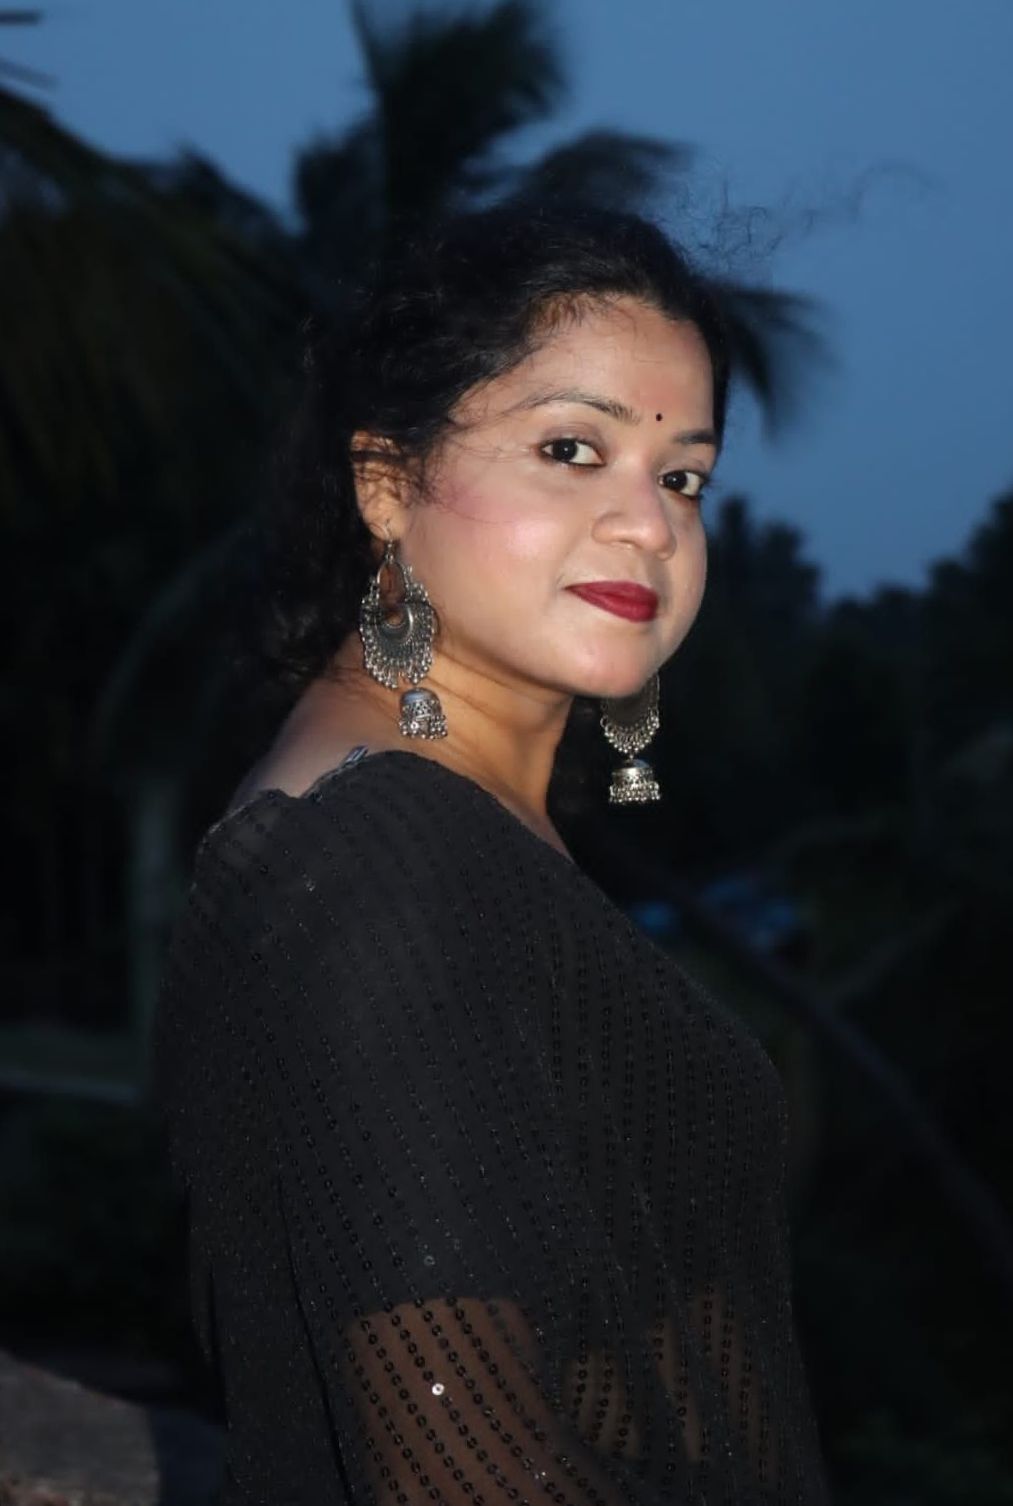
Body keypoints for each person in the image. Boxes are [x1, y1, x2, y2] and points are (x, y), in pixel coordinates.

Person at [157, 199, 830, 1505]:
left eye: (682, 477)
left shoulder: (441, 825)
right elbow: (467, 1464)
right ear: (385, 484)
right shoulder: (388, 853)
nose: (651, 525)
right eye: (572, 449)